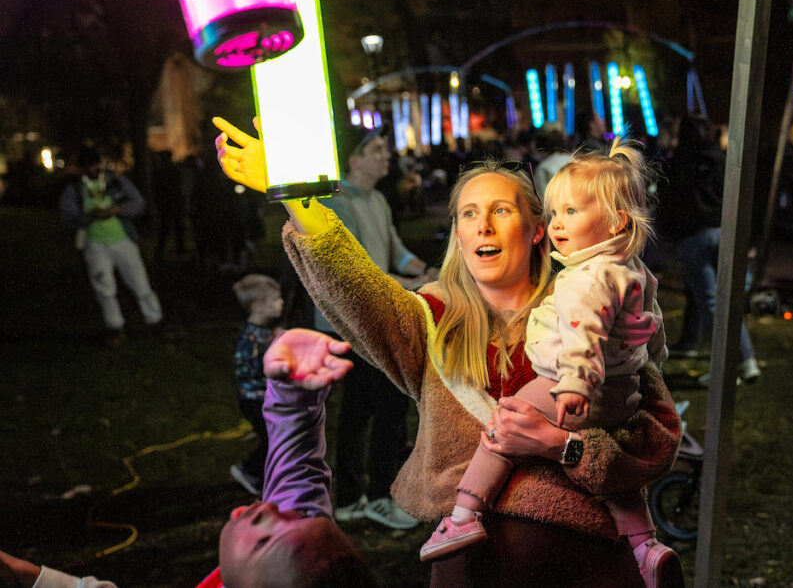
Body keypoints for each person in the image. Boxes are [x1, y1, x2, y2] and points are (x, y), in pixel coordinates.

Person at [213, 117, 684, 587]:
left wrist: (560, 445)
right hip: (470, 571)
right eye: (469, 214)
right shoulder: (430, 321)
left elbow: (655, 438)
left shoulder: (592, 304)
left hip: (587, 565)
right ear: (457, 234)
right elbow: (354, 285)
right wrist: (294, 196)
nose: (483, 226)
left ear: (538, 229)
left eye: (502, 210)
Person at [418, 137, 679, 582]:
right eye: (555, 212)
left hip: (567, 383)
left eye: (571, 213)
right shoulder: (634, 270)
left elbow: (582, 330)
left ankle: (463, 515)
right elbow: (651, 325)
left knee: (503, 427)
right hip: (621, 392)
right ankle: (645, 545)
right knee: (621, 482)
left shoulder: (584, 280)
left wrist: (575, 385)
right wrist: (648, 358)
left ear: (615, 221)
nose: (559, 223)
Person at [0, 330, 376, 588]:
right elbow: (299, 479)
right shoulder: (293, 553)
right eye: (293, 517)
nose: (268, 509)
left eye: (264, 542)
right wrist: (294, 389)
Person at [315, 124, 434, 531]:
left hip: (376, 316)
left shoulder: (378, 198)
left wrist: (425, 269)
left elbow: (395, 252)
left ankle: (351, 496)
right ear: (354, 158)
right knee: (384, 406)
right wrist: (418, 285)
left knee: (361, 410)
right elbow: (363, 269)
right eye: (378, 149)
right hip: (352, 323)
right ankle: (378, 494)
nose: (387, 156)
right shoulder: (338, 202)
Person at [656, 117, 759, 385]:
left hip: (694, 237)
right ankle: (746, 361)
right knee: (726, 301)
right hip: (723, 233)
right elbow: (737, 195)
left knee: (712, 304)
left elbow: (669, 204)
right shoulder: (721, 160)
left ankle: (727, 368)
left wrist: (672, 235)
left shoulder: (678, 164)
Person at [58, 147, 163, 348]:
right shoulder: (75, 188)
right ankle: (115, 326)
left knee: (140, 283)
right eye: (88, 166)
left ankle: (154, 319)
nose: (93, 169)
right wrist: (89, 216)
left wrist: (118, 209)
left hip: (122, 240)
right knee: (104, 288)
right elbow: (68, 216)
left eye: (95, 164)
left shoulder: (116, 181)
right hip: (95, 244)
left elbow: (138, 203)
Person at [228, 273, 284, 496]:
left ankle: (267, 475)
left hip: (263, 398)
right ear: (258, 305)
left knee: (278, 437)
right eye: (276, 300)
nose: (281, 304)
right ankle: (249, 471)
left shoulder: (262, 332)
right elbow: (251, 370)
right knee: (275, 439)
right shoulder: (250, 338)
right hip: (254, 400)